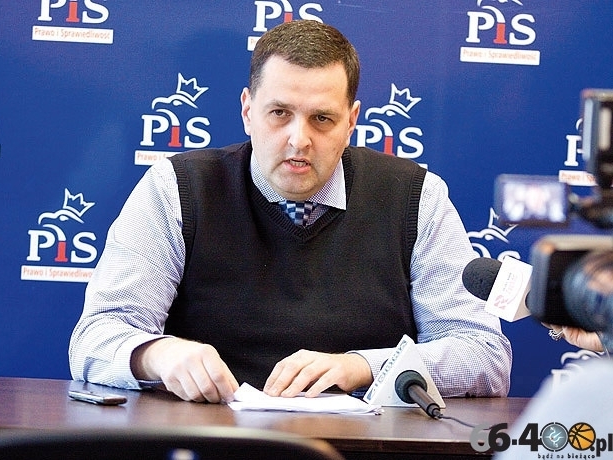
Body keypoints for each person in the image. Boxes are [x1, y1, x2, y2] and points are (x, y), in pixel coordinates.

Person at [68, 20, 512, 403]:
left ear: (351, 121)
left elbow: (485, 355)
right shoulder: (178, 188)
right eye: (279, 113)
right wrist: (157, 354)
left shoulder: (415, 197)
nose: (299, 139)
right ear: (248, 111)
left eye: (322, 119)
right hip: (211, 443)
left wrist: (363, 366)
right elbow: (95, 337)